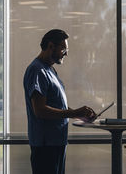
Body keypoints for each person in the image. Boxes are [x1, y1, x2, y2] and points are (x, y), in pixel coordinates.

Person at [23, 29, 96, 174]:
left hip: (56, 143)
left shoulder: (49, 70)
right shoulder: (37, 70)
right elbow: (40, 110)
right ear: (51, 46)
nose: (66, 53)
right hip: (45, 145)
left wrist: (80, 115)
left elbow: (58, 106)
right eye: (63, 49)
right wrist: (74, 112)